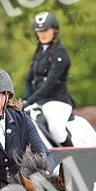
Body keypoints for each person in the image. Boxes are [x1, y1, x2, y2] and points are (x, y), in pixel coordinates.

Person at [22, 11, 75, 147]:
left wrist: (31, 100)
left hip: (56, 101)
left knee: (56, 129)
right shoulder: (40, 52)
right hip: (38, 101)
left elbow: (51, 82)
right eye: (39, 31)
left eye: (46, 30)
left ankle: (74, 154)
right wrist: (26, 99)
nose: (43, 34)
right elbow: (29, 80)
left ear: (55, 30)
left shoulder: (60, 53)